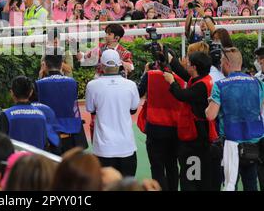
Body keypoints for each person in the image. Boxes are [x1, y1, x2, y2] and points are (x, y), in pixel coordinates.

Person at [206, 47, 264, 191]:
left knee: (230, 184)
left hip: (230, 144)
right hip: (253, 143)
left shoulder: (220, 85)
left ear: (226, 63)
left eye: (220, 62)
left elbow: (210, 115)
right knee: (251, 183)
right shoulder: (258, 83)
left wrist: (209, 105)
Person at [163, 52, 215, 191]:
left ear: (194, 67)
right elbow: (183, 73)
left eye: (188, 62)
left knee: (192, 176)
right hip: (199, 134)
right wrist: (170, 58)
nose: (185, 63)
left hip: (196, 138)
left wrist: (171, 82)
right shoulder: (203, 78)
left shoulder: (200, 86)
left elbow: (181, 95)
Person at [86, 49, 140, 177]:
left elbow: (90, 109)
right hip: (126, 146)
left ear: (102, 66)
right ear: (119, 64)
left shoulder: (92, 85)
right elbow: (133, 108)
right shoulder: (130, 85)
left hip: (104, 149)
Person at [137, 45, 182, 191]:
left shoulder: (150, 75)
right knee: (172, 165)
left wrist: (145, 73)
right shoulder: (180, 78)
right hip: (175, 129)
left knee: (157, 167)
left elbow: (138, 93)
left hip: (155, 128)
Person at [36, 54, 88, 153]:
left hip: (49, 134)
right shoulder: (73, 82)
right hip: (73, 133)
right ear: (61, 65)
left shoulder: (39, 84)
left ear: (45, 65)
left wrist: (40, 75)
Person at [0, 76, 48, 150]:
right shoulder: (41, 115)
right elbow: (45, 142)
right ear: (31, 92)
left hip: (14, 160)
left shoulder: (7, 115)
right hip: (36, 159)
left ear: (11, 92)